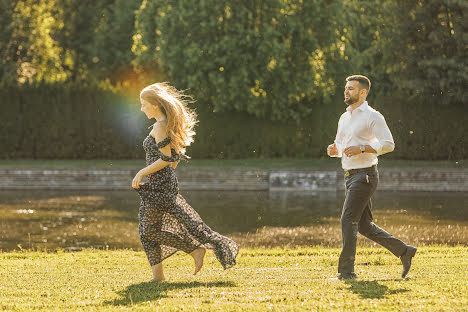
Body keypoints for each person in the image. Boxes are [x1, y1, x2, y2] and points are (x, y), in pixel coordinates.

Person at [132, 82, 238, 281]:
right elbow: (174, 157)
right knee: (148, 230)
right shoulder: (163, 124)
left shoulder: (160, 126)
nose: (141, 108)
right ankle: (159, 277)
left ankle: (195, 251)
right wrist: (165, 175)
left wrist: (141, 173)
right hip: (162, 182)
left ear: (155, 105)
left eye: (144, 104)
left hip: (160, 184)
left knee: (148, 230)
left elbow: (166, 158)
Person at [327, 75, 417, 280]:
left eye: (351, 88)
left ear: (363, 92)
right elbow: (341, 146)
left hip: (365, 176)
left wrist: (362, 148)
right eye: (346, 88)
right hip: (349, 176)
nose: (346, 91)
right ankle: (405, 251)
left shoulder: (372, 116)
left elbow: (388, 144)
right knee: (364, 226)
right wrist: (335, 150)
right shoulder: (344, 117)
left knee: (347, 220)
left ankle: (346, 272)